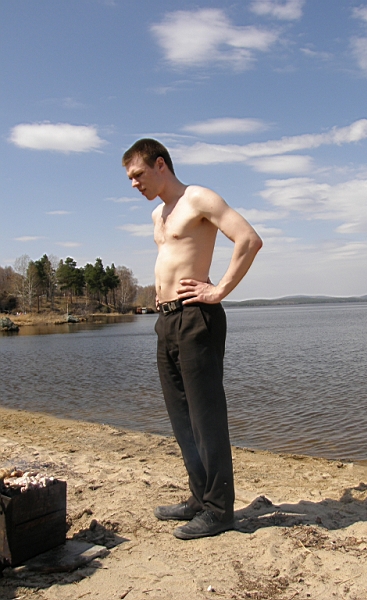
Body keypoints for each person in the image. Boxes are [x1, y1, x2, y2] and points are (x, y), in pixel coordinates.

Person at [122, 139, 262, 540]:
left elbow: (249, 239)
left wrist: (219, 290)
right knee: (181, 417)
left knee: (206, 416)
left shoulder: (197, 198)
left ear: (160, 164)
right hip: (166, 320)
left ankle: (219, 510)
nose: (134, 184)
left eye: (138, 174)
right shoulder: (158, 214)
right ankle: (200, 498)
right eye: (129, 178)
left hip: (197, 317)